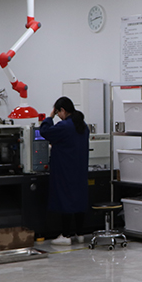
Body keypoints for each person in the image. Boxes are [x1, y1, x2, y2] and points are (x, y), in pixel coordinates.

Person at [39, 96, 90, 245]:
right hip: (80, 170)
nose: (58, 116)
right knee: (79, 200)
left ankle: (66, 235)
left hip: (65, 169)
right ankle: (80, 234)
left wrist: (49, 117)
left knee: (65, 200)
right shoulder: (83, 126)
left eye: (58, 113)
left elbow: (45, 132)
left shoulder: (64, 126)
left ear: (62, 110)